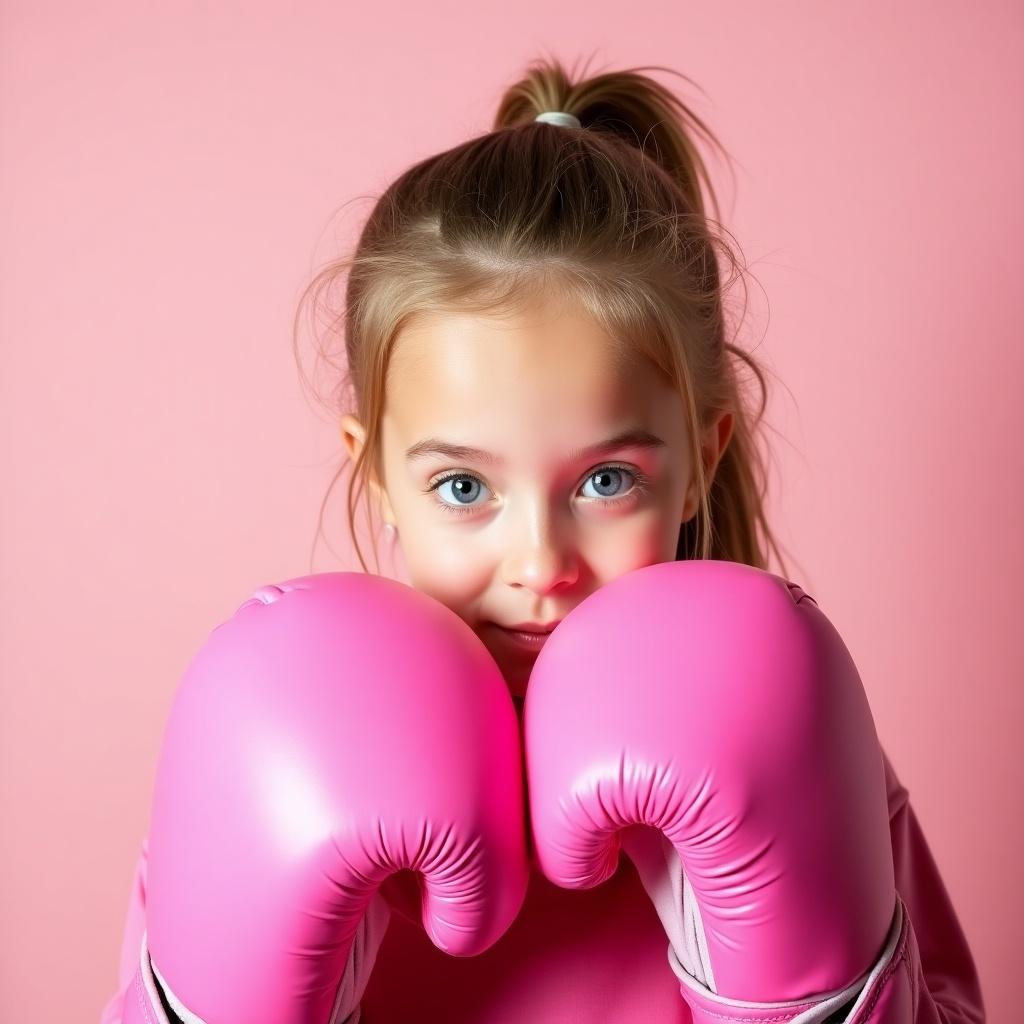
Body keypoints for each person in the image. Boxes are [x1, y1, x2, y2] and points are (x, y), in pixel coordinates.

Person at [101, 56, 985, 1022]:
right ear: (376, 474)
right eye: (465, 485)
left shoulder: (790, 740)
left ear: (702, 454)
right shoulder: (270, 760)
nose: (540, 567)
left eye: (607, 481)